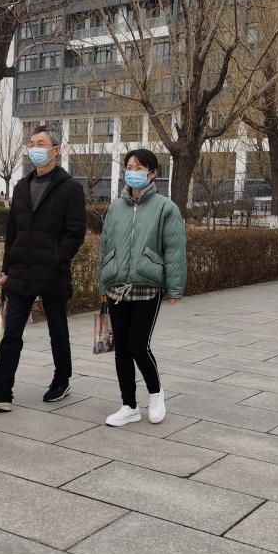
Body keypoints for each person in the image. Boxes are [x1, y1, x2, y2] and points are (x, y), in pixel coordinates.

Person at [0, 125, 87, 411]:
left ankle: (62, 379)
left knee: (57, 330)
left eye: (41, 143)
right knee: (12, 332)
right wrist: (6, 268)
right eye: (32, 143)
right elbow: (13, 232)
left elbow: (75, 233)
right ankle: (1, 391)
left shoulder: (70, 188)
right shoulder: (21, 187)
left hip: (52, 272)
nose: (34, 148)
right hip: (21, 271)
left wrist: (57, 260)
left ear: (56, 150)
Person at [97, 148, 186, 426]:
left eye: (139, 168)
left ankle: (156, 393)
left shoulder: (165, 208)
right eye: (129, 167)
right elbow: (105, 247)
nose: (132, 172)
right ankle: (129, 405)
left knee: (138, 344)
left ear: (152, 173)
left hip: (147, 287)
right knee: (121, 349)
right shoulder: (116, 207)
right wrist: (102, 283)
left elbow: (174, 249)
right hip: (117, 288)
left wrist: (174, 287)